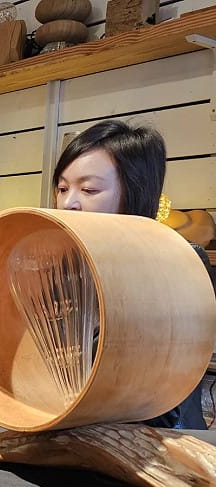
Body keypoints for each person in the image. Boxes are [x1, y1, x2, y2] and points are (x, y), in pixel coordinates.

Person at [53, 118, 209, 429]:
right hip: (73, 430)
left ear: (132, 193)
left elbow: (160, 397)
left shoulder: (177, 263)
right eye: (62, 188)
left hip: (156, 439)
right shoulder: (65, 266)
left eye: (89, 189)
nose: (69, 203)